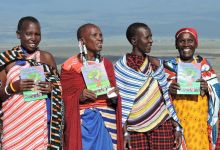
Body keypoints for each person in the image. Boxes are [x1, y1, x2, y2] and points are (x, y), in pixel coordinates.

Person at [114, 22, 183, 150]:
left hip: (162, 125)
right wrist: (124, 132)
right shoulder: (122, 68)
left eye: (151, 37)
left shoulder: (156, 64)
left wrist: (177, 127)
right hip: (134, 130)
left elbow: (166, 99)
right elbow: (121, 104)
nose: (151, 41)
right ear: (134, 41)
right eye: (147, 37)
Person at [0, 16, 64, 149]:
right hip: (14, 127)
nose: (33, 38)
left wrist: (51, 88)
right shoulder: (7, 60)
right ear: (19, 35)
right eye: (28, 34)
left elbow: (59, 87)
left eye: (37, 34)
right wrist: (13, 87)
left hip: (41, 129)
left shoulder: (46, 58)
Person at [61, 23, 123, 150]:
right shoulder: (69, 66)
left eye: (101, 35)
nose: (100, 38)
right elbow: (64, 96)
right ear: (82, 41)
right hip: (82, 123)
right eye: (95, 35)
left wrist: (114, 95)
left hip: (107, 122)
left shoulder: (106, 64)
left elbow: (113, 98)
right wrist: (79, 96)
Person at [164, 27, 220, 150]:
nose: (186, 44)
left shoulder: (205, 67)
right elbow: (157, 94)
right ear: (176, 44)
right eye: (181, 41)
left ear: (196, 43)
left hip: (199, 124)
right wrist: (168, 90)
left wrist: (208, 88)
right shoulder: (168, 67)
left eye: (190, 41)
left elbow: (216, 90)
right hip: (177, 123)